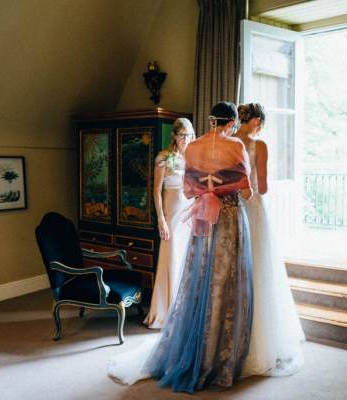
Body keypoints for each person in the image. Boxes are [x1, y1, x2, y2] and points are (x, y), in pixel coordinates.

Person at [108, 101, 254, 393]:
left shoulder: (195, 148)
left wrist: (207, 189)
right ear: (231, 123)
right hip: (227, 218)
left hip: (202, 218)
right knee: (226, 281)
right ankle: (220, 353)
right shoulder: (236, 146)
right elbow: (247, 191)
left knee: (199, 277)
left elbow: (188, 190)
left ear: (211, 120)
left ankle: (194, 346)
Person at [235, 103, 305, 377]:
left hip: (229, 210)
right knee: (260, 270)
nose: (261, 127)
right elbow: (261, 187)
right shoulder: (258, 146)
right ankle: (259, 339)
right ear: (256, 122)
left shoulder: (226, 142)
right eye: (261, 123)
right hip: (253, 210)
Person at [143, 118, 195, 329]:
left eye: (188, 135)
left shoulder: (193, 158)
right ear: (174, 135)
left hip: (189, 215)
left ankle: (184, 311)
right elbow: (156, 192)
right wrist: (161, 221)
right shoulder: (163, 158)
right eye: (181, 135)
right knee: (171, 259)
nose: (185, 139)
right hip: (171, 216)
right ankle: (166, 312)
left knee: (186, 261)